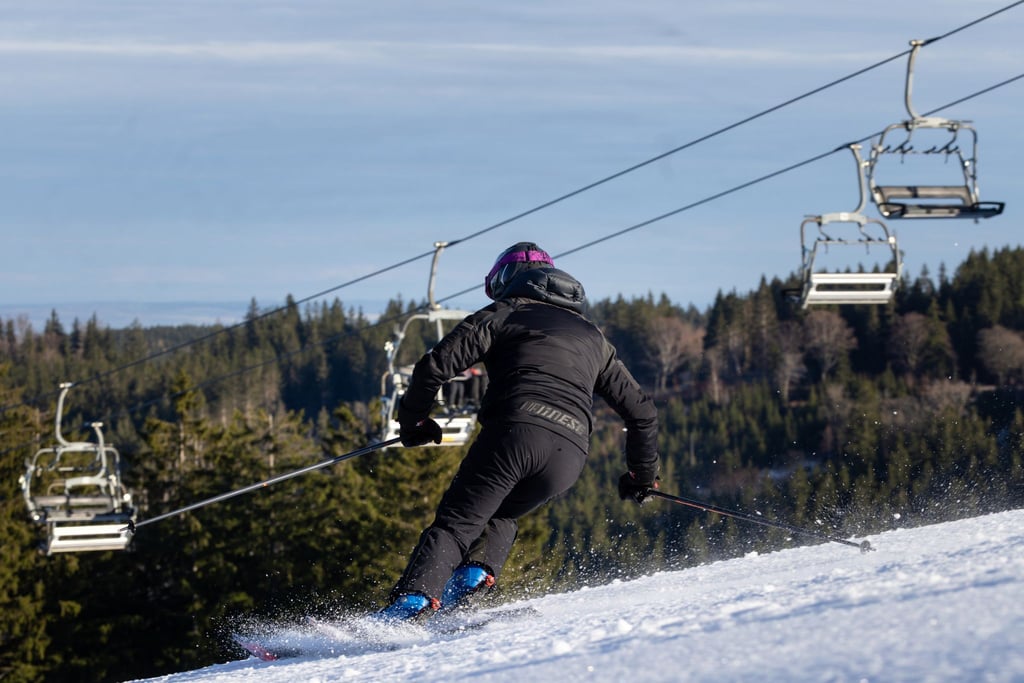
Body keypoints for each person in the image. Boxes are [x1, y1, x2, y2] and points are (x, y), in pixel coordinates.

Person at [380, 241, 660, 621]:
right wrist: (641, 476)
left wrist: (413, 421)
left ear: (507, 281)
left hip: (514, 435)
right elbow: (642, 412)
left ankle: (409, 605)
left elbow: (434, 367)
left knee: (456, 524)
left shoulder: (504, 313)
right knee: (501, 514)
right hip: (569, 456)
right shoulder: (594, 338)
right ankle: (469, 581)